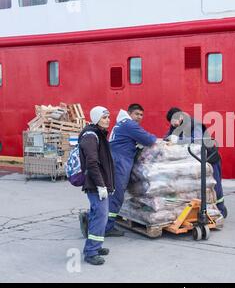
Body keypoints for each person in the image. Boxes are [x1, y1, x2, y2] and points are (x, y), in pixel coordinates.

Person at [164, 107, 227, 218]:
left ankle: (221, 210)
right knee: (198, 187)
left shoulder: (195, 124)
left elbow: (197, 141)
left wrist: (177, 140)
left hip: (209, 158)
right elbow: (168, 136)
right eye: (173, 125)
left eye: (175, 124)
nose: (175, 127)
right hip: (195, 160)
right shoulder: (175, 125)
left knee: (214, 184)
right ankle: (202, 211)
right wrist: (166, 140)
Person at [105, 104, 157, 236]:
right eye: (136, 114)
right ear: (129, 113)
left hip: (115, 160)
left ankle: (102, 221)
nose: (139, 117)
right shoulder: (129, 124)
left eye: (141, 115)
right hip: (119, 162)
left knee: (113, 194)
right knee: (116, 195)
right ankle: (107, 227)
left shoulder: (121, 123)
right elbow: (149, 139)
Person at [78, 106, 115, 265]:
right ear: (95, 118)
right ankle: (91, 252)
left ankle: (96, 246)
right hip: (95, 184)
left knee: (97, 215)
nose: (107, 120)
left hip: (100, 183)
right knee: (101, 216)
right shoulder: (90, 136)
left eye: (108, 117)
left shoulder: (98, 133)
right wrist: (101, 186)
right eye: (104, 117)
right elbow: (92, 163)